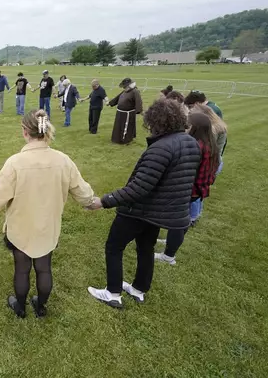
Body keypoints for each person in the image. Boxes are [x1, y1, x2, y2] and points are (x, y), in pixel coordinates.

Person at [0, 109, 96, 318]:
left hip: (21, 228)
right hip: (48, 228)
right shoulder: (63, 160)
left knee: (22, 269)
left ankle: (20, 306)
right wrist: (92, 202)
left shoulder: (14, 163)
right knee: (44, 268)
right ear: (45, 129)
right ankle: (41, 307)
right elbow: (82, 191)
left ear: (24, 131)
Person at [87, 99, 200, 308]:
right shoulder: (189, 142)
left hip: (140, 210)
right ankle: (139, 289)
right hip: (159, 211)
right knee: (145, 248)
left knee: (114, 246)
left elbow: (139, 187)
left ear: (156, 121)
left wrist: (104, 201)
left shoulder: (161, 148)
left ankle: (113, 293)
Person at [155, 111, 219, 266]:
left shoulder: (197, 146)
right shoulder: (211, 144)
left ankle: (168, 256)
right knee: (181, 220)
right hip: (198, 189)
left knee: (178, 221)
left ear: (195, 127)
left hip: (189, 189)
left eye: (188, 125)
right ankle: (170, 242)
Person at [108, 78, 143, 145]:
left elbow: (138, 101)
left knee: (126, 127)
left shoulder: (135, 92)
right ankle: (117, 138)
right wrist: (110, 103)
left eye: (125, 86)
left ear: (130, 85)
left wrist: (139, 110)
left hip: (128, 114)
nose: (124, 88)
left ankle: (125, 140)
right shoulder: (124, 91)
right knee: (118, 127)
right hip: (120, 113)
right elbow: (117, 98)